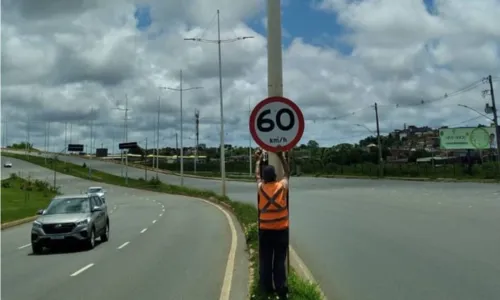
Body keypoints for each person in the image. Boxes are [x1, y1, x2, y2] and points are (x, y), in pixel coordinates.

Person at [254, 148, 290, 299]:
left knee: (265, 260)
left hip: (265, 230)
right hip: (281, 230)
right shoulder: (281, 187)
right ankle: (281, 289)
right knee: (279, 261)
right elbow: (288, 173)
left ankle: (266, 288)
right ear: (275, 176)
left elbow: (256, 175)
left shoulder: (261, 188)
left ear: (264, 177)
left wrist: (258, 160)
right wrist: (282, 157)